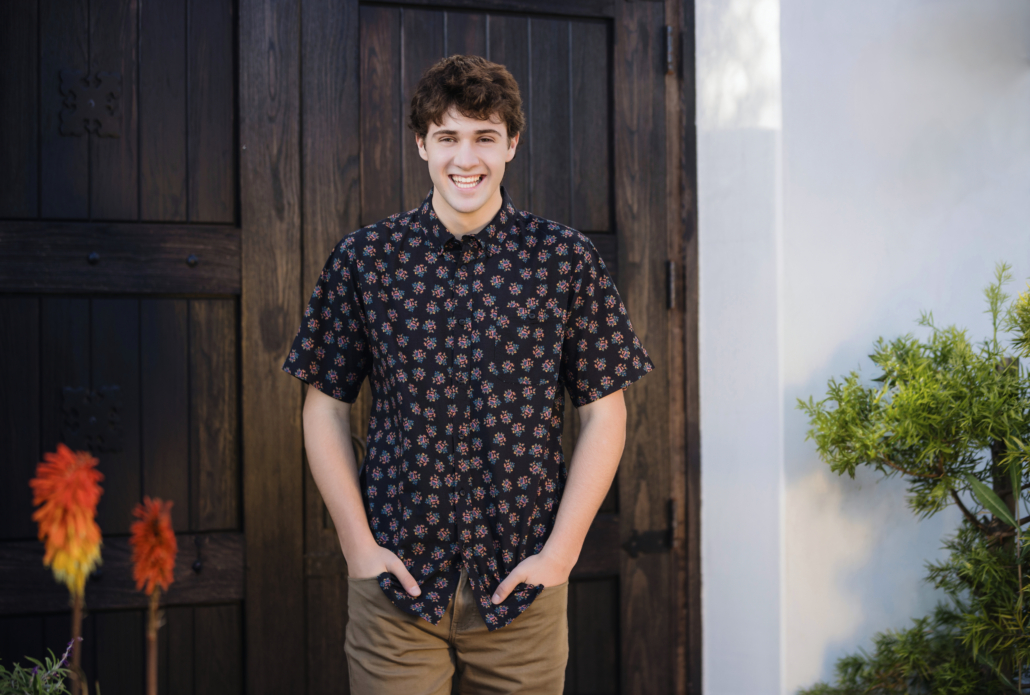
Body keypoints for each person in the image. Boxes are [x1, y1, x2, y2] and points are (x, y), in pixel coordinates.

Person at [282, 54, 653, 695]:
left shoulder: (564, 260)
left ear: (511, 143)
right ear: (422, 143)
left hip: (523, 587)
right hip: (396, 586)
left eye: (484, 137)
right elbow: (324, 407)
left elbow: (605, 413)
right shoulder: (365, 259)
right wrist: (357, 548)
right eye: (448, 137)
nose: (466, 158)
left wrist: (559, 555)